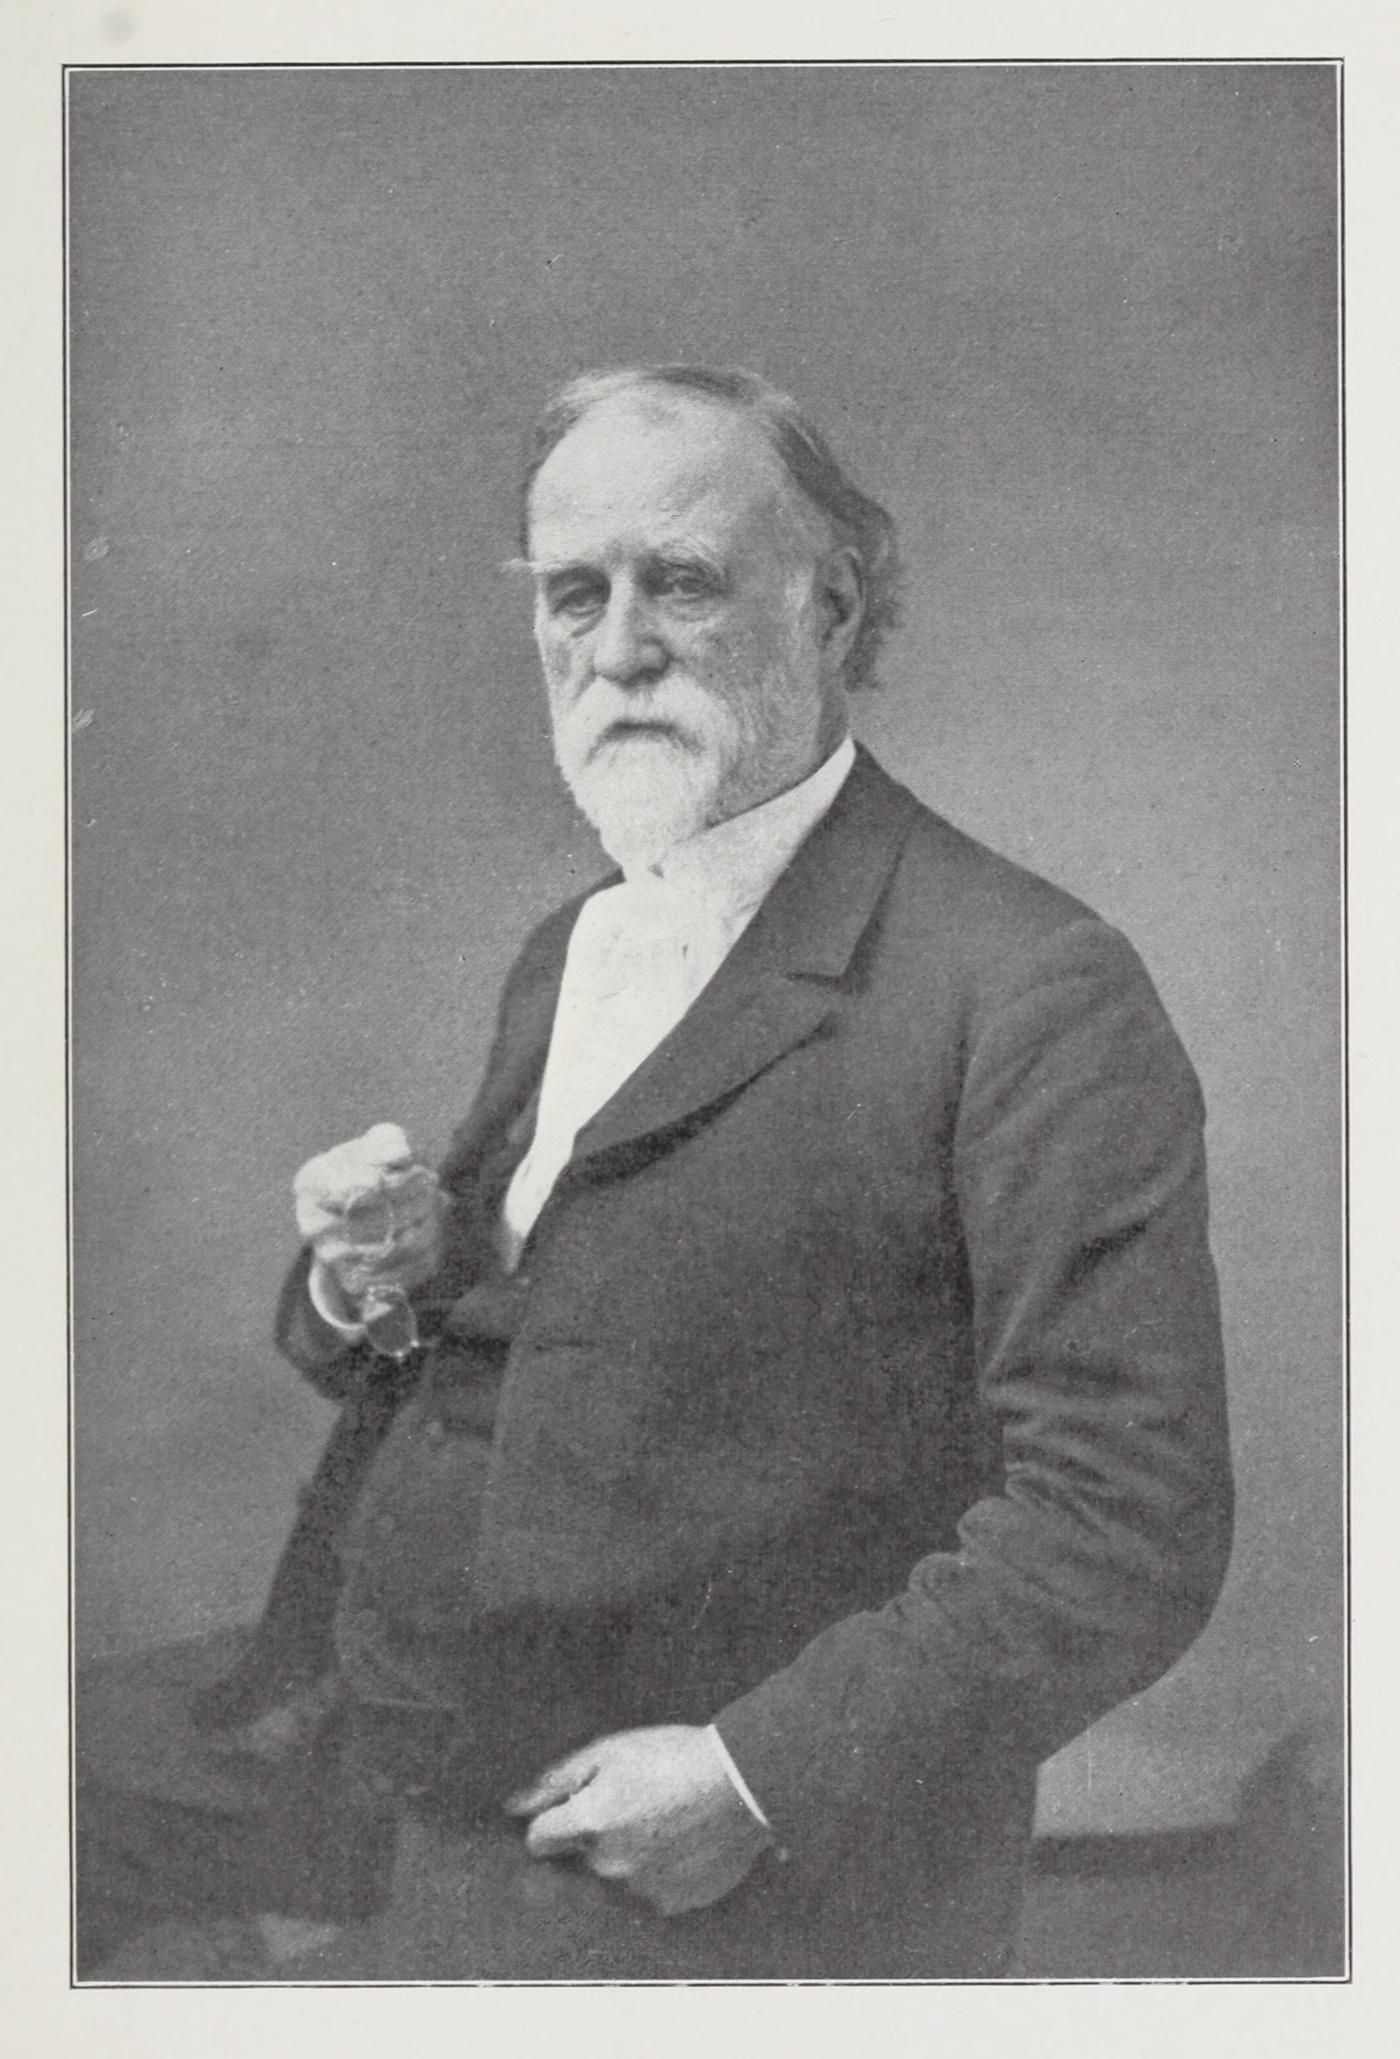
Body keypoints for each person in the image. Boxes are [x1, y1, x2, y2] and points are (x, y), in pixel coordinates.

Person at [77, 364, 1233, 1981]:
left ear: (833, 608)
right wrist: (382, 1277)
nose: (616, 648)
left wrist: (752, 1781)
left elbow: (1127, 1520)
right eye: (574, 593)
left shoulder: (1029, 986)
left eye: (681, 582)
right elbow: (533, 1338)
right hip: (386, 1720)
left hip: (686, 1848)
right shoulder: (578, 941)